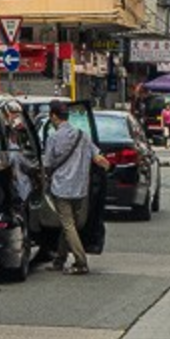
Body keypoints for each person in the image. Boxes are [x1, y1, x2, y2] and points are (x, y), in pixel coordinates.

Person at [41, 100, 105, 274]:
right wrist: (108, 168)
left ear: (53, 116)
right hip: (80, 188)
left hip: (61, 187)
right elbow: (98, 157)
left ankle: (81, 261)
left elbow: (47, 163)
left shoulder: (53, 137)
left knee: (68, 225)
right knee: (69, 225)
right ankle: (59, 260)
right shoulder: (82, 135)